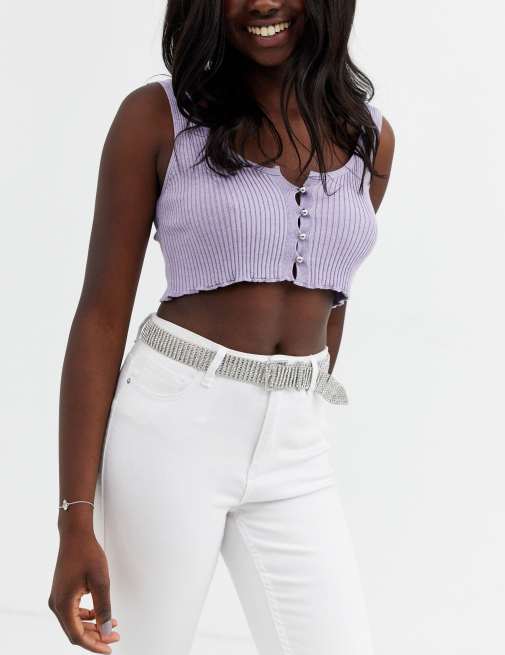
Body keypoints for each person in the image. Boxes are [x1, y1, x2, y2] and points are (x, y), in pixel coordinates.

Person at [48, 1, 395, 654]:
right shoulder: (156, 118)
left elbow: (332, 296)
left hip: (295, 444)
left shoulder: (368, 136)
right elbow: (100, 315)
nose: (262, 3)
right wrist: (75, 519)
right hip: (173, 423)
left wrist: (299, 407)